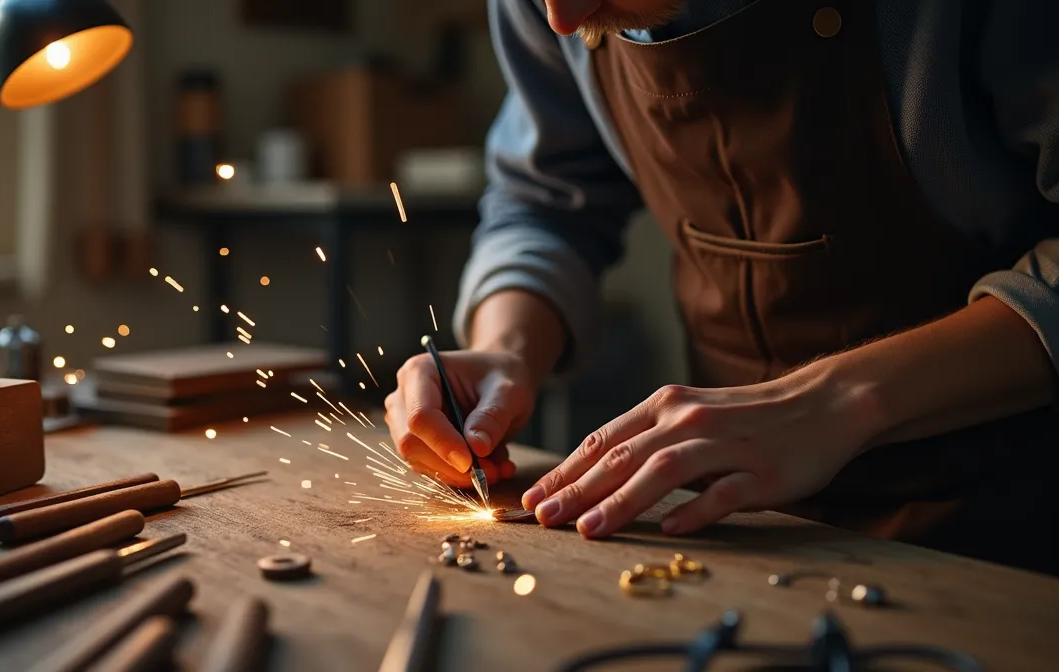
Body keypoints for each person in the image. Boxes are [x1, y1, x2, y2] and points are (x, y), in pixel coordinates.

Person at [384, 0, 1059, 575]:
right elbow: (544, 203)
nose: (562, 17)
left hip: (1009, 518)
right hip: (738, 527)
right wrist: (508, 347)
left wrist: (840, 401)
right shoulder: (559, 6)